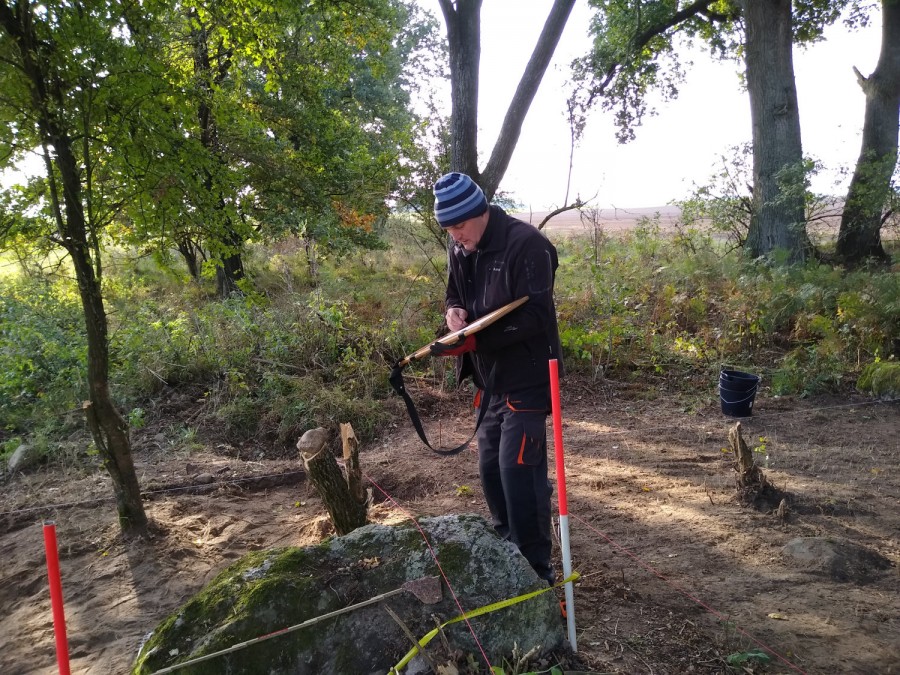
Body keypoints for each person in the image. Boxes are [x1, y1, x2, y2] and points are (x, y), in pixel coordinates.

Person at [429, 171, 564, 585]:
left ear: (481, 211)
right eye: (448, 229)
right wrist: (453, 312)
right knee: (491, 472)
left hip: (529, 377)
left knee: (519, 474)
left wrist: (477, 340)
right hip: (489, 383)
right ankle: (509, 559)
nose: (455, 236)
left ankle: (537, 575)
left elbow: (537, 315)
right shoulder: (461, 247)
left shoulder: (528, 245)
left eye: (459, 226)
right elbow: (455, 294)